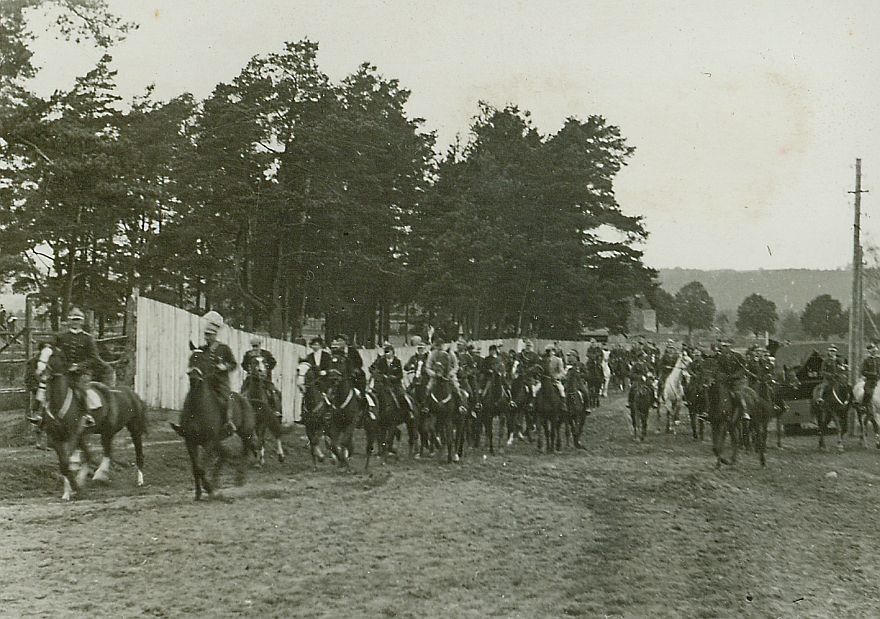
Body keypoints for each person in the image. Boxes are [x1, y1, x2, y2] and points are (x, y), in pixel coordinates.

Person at [41, 307, 109, 428]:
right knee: (49, 389)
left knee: (82, 391)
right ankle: (42, 417)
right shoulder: (61, 337)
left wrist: (78, 366)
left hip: (82, 373)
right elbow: (53, 351)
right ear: (69, 321)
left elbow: (94, 358)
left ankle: (87, 416)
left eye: (77, 319)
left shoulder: (88, 338)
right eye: (73, 319)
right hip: (64, 373)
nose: (75, 322)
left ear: (82, 321)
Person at [174, 310, 238, 435]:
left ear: (215, 335)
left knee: (227, 399)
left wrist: (224, 367)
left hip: (221, 383)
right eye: (205, 335)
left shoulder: (224, 349)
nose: (206, 337)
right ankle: (183, 423)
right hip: (206, 381)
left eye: (209, 335)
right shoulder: (202, 349)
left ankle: (228, 423)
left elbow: (233, 364)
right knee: (190, 397)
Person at [425, 337, 467, 413]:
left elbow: (456, 365)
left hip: (448, 376)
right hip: (436, 376)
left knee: (456, 387)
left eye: (440, 345)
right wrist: (433, 374)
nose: (439, 347)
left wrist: (451, 373)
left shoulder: (450, 353)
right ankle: (426, 407)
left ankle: (461, 406)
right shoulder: (432, 354)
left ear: (443, 345)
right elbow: (428, 367)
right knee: (429, 387)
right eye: (437, 346)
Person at [241, 336, 281, 415]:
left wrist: (266, 369)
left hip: (265, 379)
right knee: (243, 391)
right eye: (253, 346)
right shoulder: (248, 354)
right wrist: (249, 369)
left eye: (256, 346)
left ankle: (276, 410)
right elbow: (244, 364)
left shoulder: (266, 354)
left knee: (273, 392)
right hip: (251, 378)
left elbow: (273, 363)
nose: (255, 348)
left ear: (260, 345)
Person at [370, 343, 412, 416]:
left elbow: (400, 375)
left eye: (389, 351)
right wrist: (382, 376)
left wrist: (394, 377)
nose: (387, 353)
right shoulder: (381, 361)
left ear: (392, 352)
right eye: (386, 351)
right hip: (383, 384)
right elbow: (377, 371)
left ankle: (408, 413)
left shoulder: (397, 361)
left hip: (395, 385)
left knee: (401, 396)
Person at [715, 339, 750, 421]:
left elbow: (743, 368)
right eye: (722, 346)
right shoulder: (720, 358)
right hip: (725, 381)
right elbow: (718, 368)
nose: (723, 348)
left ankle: (744, 412)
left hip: (736, 381)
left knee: (738, 394)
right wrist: (721, 375)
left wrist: (735, 375)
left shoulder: (737, 356)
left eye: (725, 346)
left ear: (729, 347)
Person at [541, 343, 568, 413]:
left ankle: (563, 404)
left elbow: (562, 372)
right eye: (547, 351)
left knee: (561, 389)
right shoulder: (543, 360)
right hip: (544, 379)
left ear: (553, 351)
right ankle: (532, 403)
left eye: (549, 351)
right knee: (535, 389)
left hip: (554, 380)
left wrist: (557, 377)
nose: (548, 353)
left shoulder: (558, 360)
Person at [861, 343, 880, 412]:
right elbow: (863, 372)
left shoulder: (878, 359)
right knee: (868, 392)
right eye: (872, 350)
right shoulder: (866, 360)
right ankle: (864, 406)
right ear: (869, 351)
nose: (874, 352)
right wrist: (872, 374)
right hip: (870, 380)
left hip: (878, 379)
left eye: (874, 350)